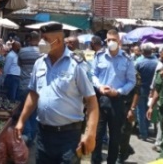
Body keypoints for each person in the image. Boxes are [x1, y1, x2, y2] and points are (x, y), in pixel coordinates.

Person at [15, 23, 98, 164]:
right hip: (43, 136)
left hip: (68, 137)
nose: (41, 42)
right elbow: (33, 94)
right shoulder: (39, 63)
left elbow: (91, 101)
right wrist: (21, 121)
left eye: (45, 39)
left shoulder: (76, 64)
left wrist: (90, 133)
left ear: (58, 41)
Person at [91, 29, 136, 164]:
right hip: (100, 99)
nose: (111, 42)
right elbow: (92, 74)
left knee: (115, 137)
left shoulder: (127, 59)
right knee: (97, 135)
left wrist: (119, 91)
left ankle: (112, 161)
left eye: (114, 40)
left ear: (119, 41)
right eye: (109, 40)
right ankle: (95, 161)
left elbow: (131, 81)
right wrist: (99, 86)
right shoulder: (99, 56)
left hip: (117, 101)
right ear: (106, 40)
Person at [17, 31, 41, 145]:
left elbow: (20, 65)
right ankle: (31, 136)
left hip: (24, 85)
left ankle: (27, 134)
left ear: (29, 38)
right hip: (38, 87)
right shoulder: (43, 52)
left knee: (24, 111)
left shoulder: (22, 51)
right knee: (34, 113)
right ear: (38, 39)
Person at [135, 42, 158, 141]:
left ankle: (143, 133)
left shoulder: (138, 62)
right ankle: (146, 130)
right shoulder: (157, 63)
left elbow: (134, 77)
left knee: (140, 112)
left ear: (143, 52)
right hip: (153, 90)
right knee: (150, 110)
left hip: (141, 90)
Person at [118, 71, 140, 164]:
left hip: (127, 106)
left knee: (124, 131)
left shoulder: (134, 72)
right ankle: (127, 149)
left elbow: (137, 92)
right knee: (115, 132)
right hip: (115, 104)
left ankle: (121, 156)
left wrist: (132, 109)